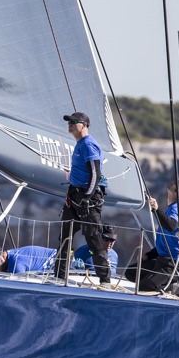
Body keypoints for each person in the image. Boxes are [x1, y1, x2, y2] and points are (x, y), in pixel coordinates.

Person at [55, 111, 110, 285]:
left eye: (73, 121)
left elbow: (96, 173)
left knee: (92, 238)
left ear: (84, 125)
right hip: (74, 196)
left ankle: (105, 280)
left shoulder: (88, 145)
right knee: (65, 236)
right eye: (68, 121)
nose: (69, 124)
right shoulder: (79, 144)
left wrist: (87, 197)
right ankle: (59, 276)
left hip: (89, 198)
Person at [127, 179, 179, 294]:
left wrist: (156, 209)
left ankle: (169, 286)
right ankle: (165, 285)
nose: (173, 182)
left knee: (145, 286)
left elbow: (171, 226)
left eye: (176, 184)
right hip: (164, 260)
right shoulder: (173, 208)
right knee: (131, 272)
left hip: (176, 263)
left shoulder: (178, 207)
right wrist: (149, 255)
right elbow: (168, 242)